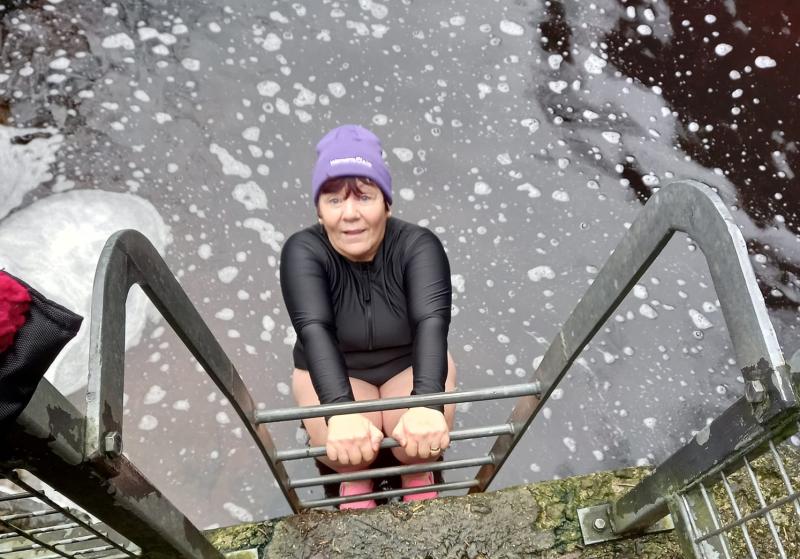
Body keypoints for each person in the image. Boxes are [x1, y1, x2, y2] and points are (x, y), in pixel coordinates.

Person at [280, 124, 456, 509]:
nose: (350, 214)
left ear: (387, 204)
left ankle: (417, 471)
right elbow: (314, 329)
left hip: (406, 363)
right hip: (338, 368)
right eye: (334, 200)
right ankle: (354, 479)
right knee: (347, 454)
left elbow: (431, 322)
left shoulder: (417, 245)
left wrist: (427, 404)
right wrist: (341, 412)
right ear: (319, 210)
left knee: (418, 445)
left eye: (364, 196)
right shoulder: (303, 250)